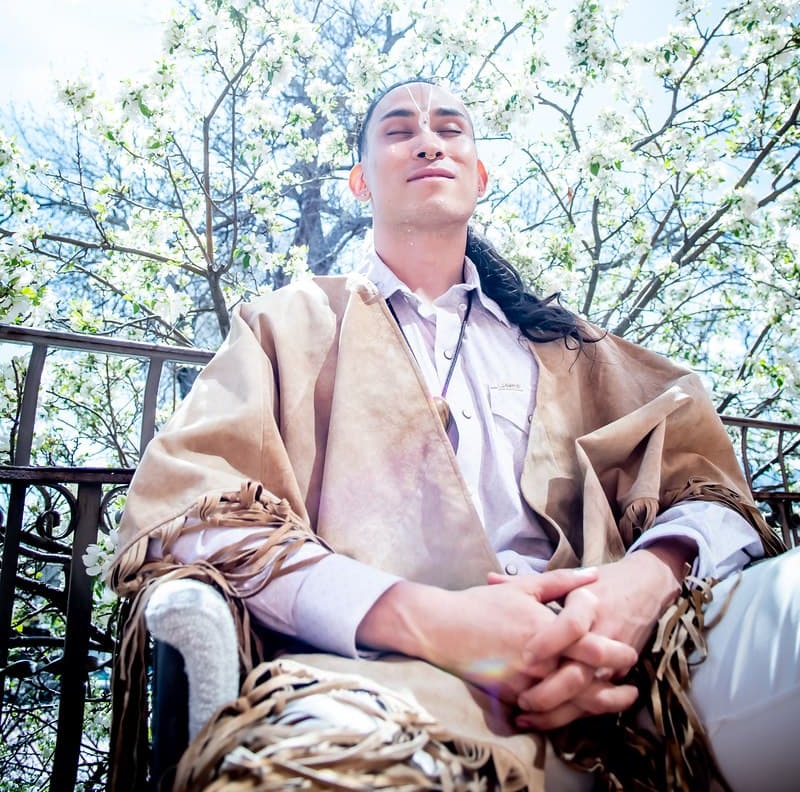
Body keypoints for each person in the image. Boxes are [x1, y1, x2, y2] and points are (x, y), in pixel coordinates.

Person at [109, 80, 798, 792]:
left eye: (450, 128)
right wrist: (428, 621)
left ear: (479, 174)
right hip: (391, 691)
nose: (428, 139)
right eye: (399, 129)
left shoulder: (570, 348)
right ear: (359, 181)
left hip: (643, 671)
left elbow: (707, 488)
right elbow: (190, 514)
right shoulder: (288, 325)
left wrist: (640, 586)